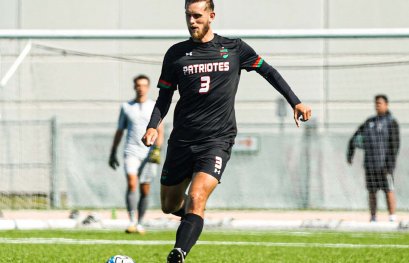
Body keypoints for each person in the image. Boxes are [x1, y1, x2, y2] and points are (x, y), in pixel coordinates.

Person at [141, 1, 311, 262]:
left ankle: (178, 253)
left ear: (212, 16)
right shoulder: (176, 54)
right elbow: (164, 97)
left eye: (197, 16)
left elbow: (268, 71)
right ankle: (193, 219)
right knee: (169, 206)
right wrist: (153, 125)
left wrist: (295, 101)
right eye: (188, 16)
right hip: (182, 141)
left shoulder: (234, 48)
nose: (192, 21)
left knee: (197, 196)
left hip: (217, 140)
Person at [109, 74, 164, 234]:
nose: (141, 88)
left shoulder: (154, 106)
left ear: (148, 87)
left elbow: (160, 131)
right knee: (132, 183)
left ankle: (140, 222)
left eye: (144, 85)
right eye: (138, 85)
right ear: (134, 87)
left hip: (148, 154)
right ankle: (132, 221)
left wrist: (157, 150)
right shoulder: (126, 107)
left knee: (144, 189)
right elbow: (120, 131)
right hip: (131, 151)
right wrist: (113, 152)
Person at [347, 94, 400, 222]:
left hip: (385, 166)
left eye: (380, 103)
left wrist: (390, 164)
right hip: (370, 164)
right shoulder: (369, 122)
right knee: (372, 191)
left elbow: (394, 145)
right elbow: (354, 137)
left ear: (386, 105)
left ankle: (392, 216)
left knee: (388, 190)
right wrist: (350, 153)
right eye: (376, 103)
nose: (377, 105)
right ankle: (373, 216)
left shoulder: (391, 122)